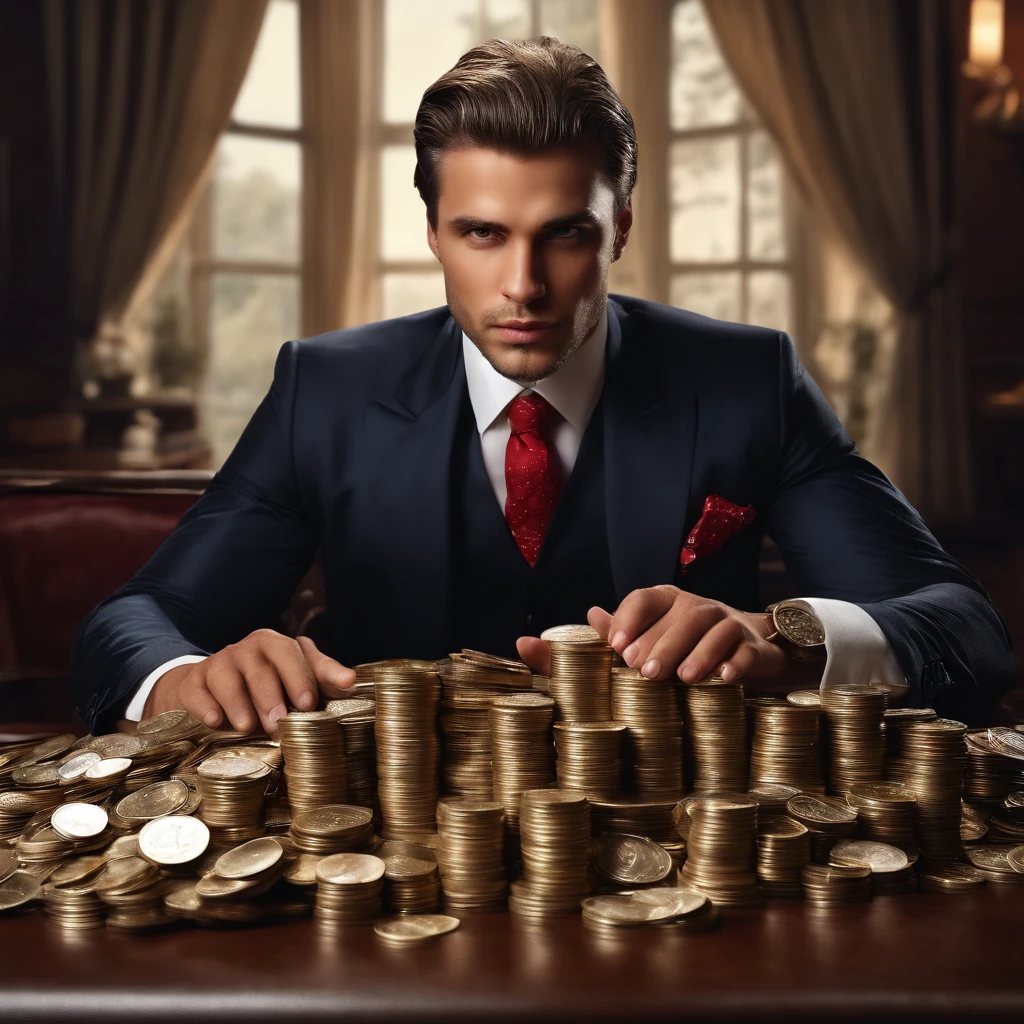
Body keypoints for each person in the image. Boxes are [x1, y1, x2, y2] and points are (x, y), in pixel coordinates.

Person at [71, 37, 1014, 736]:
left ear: (621, 228)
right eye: (482, 233)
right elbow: (135, 622)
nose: (522, 286)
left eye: (564, 233)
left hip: (684, 853)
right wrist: (184, 678)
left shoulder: (747, 381)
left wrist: (787, 637)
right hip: (381, 856)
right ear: (433, 233)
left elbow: (965, 627)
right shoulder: (324, 389)